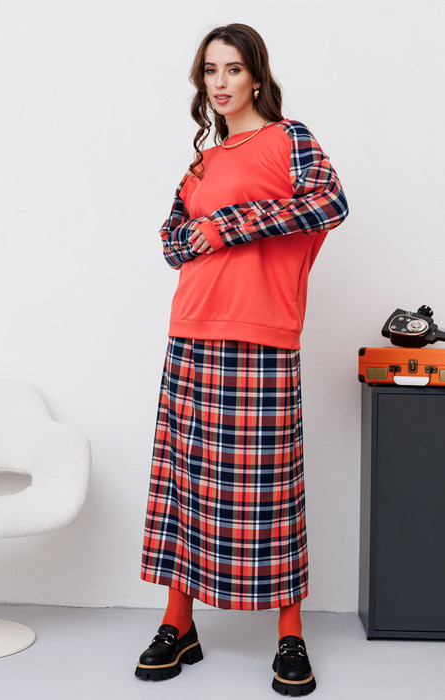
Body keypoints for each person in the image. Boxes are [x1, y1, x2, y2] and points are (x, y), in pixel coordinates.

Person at [135, 22, 348, 696]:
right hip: (191, 330)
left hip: (263, 335)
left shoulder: (290, 139)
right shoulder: (202, 162)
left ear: (256, 76)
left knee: (271, 489)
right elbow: (172, 240)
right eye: (210, 71)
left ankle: (290, 632)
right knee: (185, 482)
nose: (220, 83)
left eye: (232, 69)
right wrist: (197, 233)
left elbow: (330, 203)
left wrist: (225, 226)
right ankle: (178, 622)